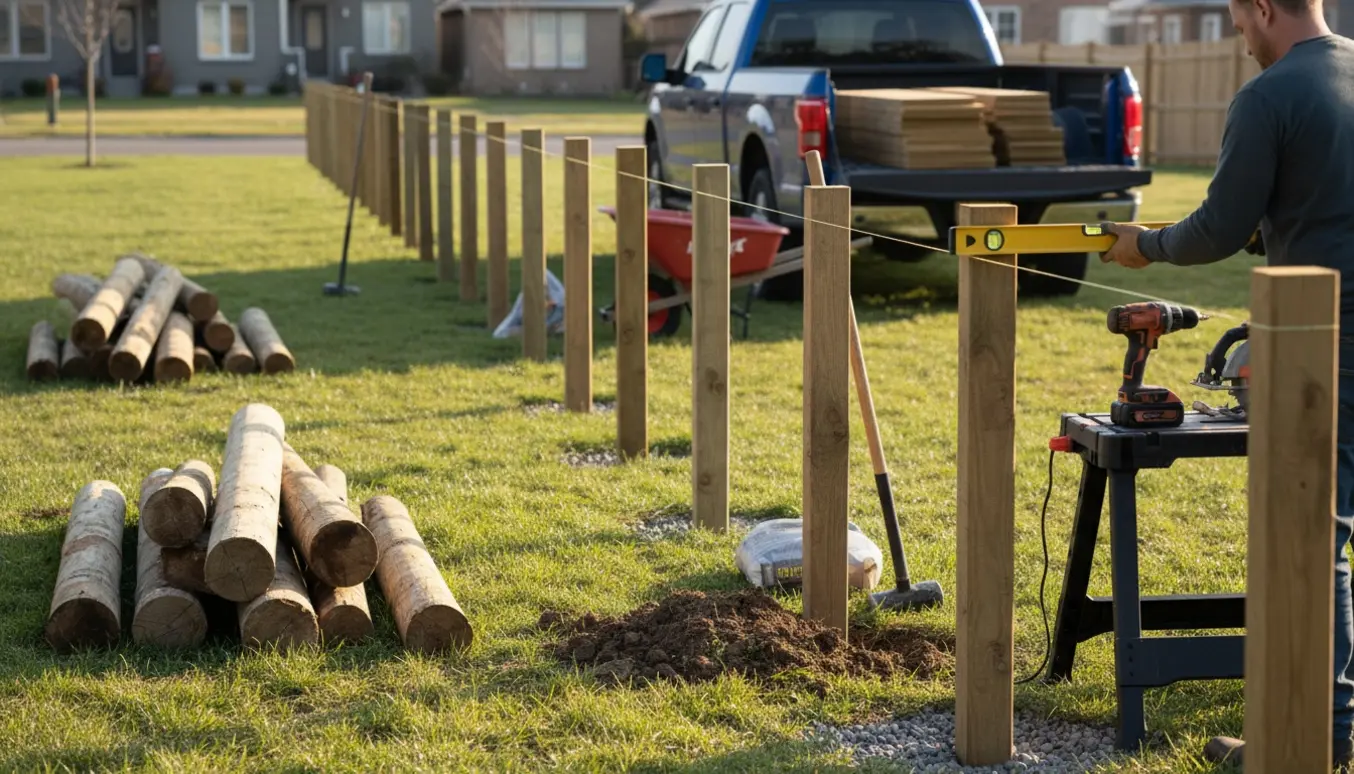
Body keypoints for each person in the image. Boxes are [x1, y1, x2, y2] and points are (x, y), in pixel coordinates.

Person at [1099, 0, 1354, 764]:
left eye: (1238, 19)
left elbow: (1214, 229)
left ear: (1265, 9)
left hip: (1328, 339)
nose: (1237, 35)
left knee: (1315, 531)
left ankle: (1320, 734)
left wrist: (1143, 246)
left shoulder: (1268, 96)